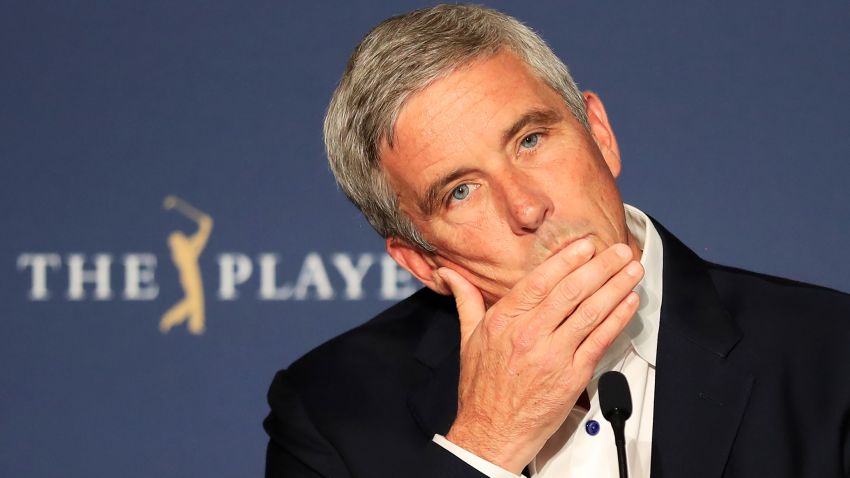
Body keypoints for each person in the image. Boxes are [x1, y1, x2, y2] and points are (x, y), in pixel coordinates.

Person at [264, 5, 850, 477]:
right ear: (421, 260)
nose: (526, 206)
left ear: (600, 132)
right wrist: (484, 445)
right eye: (461, 192)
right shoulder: (328, 411)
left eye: (531, 140)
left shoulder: (830, 351)